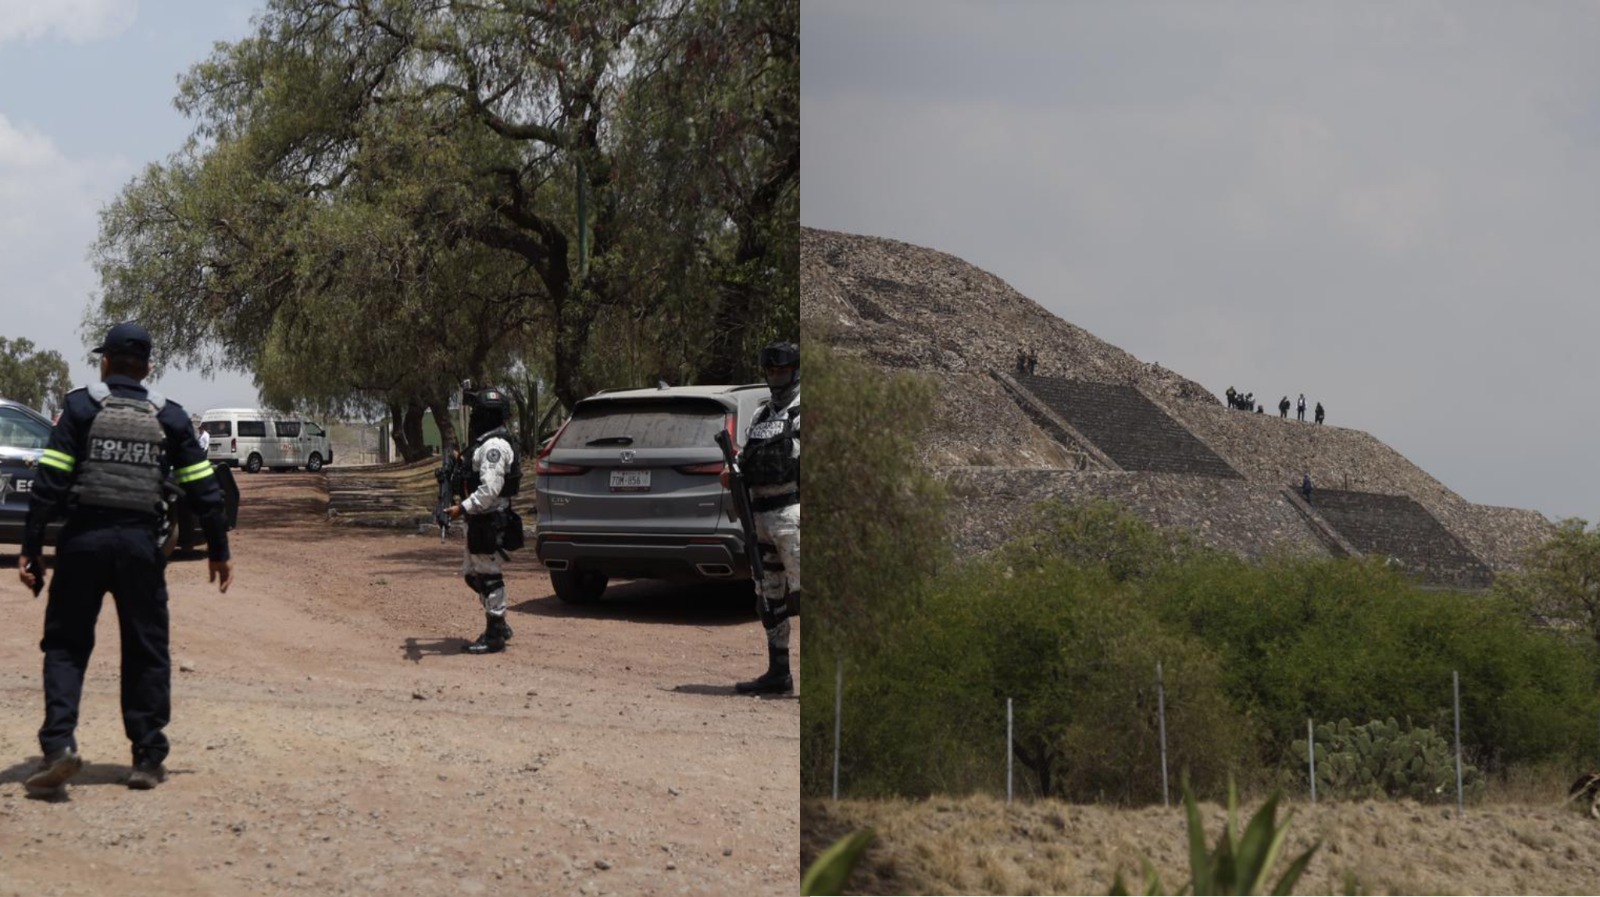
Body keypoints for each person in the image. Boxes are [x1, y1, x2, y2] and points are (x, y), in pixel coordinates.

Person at [17, 322, 233, 795]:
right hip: (141, 547)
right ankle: (147, 759)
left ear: (106, 362)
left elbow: (50, 483)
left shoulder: (78, 408)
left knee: (67, 646)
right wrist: (219, 550)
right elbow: (205, 490)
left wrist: (32, 546)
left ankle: (58, 748)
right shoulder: (171, 417)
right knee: (146, 651)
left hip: (83, 543)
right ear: (148, 367)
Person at [729, 342, 801, 694]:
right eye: (771, 372)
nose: (776, 378)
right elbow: (745, 458)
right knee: (769, 598)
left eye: (782, 371)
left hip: (793, 516)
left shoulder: (803, 411)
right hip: (760, 517)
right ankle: (778, 672)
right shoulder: (760, 416)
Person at [443, 387, 521, 655]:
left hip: (489, 519)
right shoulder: (484, 443)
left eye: (478, 413)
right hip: (480, 520)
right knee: (472, 574)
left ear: (489, 415)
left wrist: (461, 508)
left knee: (489, 576)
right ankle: (499, 622)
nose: (474, 418)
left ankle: (495, 632)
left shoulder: (494, 447)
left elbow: (488, 491)